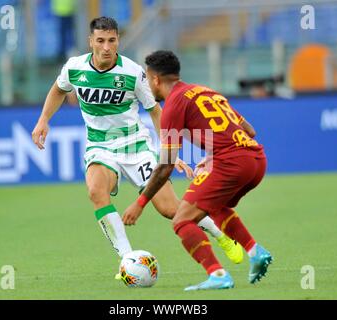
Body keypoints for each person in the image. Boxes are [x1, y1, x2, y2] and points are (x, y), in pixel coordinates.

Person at [31, 17, 243, 278]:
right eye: (100, 41)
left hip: (136, 147)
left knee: (170, 209)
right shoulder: (74, 68)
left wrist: (169, 151)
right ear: (91, 42)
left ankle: (220, 235)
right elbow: (58, 89)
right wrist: (43, 120)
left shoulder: (133, 73)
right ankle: (127, 260)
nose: (106, 47)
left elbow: (155, 111)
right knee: (96, 191)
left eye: (111, 40)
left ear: (118, 40)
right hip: (100, 147)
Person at [122, 50, 273, 291]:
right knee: (215, 206)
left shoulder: (173, 105)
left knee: (182, 221)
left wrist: (139, 203)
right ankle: (255, 252)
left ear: (155, 80)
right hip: (256, 160)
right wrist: (213, 155)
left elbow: (166, 165)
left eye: (147, 80)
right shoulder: (206, 91)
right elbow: (249, 130)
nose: (147, 86)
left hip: (231, 164)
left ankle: (218, 274)